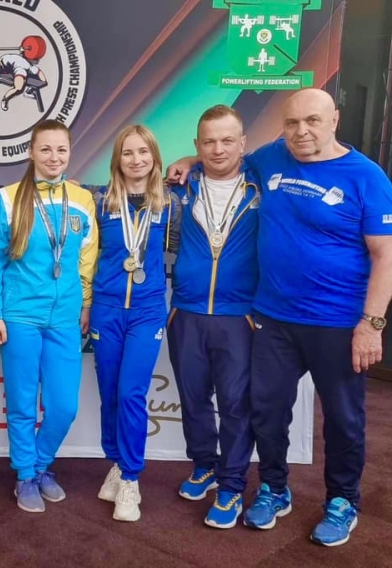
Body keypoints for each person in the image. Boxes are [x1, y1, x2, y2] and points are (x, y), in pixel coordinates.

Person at [168, 89, 392, 546]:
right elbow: (224, 156)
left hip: (338, 322)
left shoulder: (367, 177)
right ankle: (274, 488)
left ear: (334, 120)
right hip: (273, 318)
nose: (301, 131)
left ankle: (342, 500)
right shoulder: (271, 158)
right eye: (292, 123)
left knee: (343, 418)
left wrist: (371, 324)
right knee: (266, 413)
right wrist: (189, 159)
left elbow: (386, 255)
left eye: (312, 120)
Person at [0, 119, 99, 513]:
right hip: (20, 316)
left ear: (70, 152)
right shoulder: (7, 199)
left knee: (64, 407)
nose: (54, 157)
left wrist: (85, 303)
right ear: (31, 151)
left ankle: (41, 463)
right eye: (45, 149)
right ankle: (25, 475)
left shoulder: (81, 199)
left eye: (61, 149)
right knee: (22, 403)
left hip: (65, 317)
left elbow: (87, 258)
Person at [167, 105, 258, 529]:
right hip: (186, 312)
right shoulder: (180, 186)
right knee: (193, 398)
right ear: (197, 145)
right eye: (208, 142)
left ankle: (232, 485)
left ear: (243, 143)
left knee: (236, 404)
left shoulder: (265, 184)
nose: (218, 149)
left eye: (227, 140)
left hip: (239, 317)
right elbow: (126, 189)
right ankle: (204, 464)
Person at [88, 125, 180, 522]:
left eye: (144, 152)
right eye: (128, 152)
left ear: (155, 157)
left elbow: (183, 250)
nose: (136, 159)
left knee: (130, 393)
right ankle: (115, 461)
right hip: (106, 309)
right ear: (117, 160)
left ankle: (130, 478)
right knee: (110, 393)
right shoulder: (100, 201)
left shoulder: (171, 205)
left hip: (147, 311)